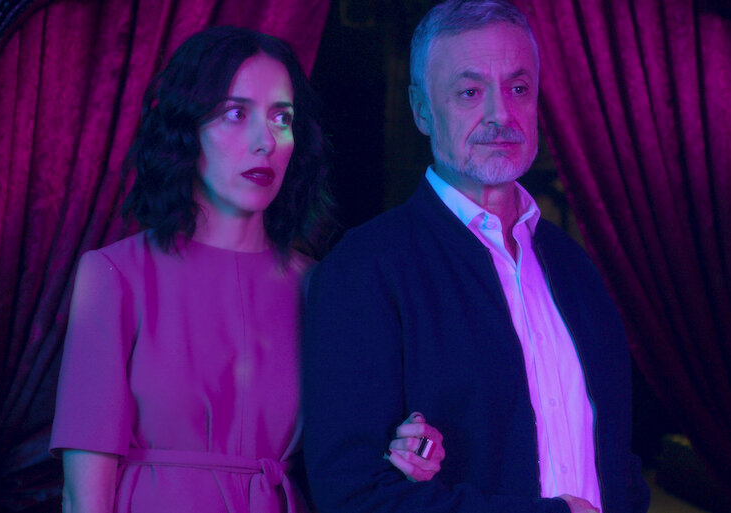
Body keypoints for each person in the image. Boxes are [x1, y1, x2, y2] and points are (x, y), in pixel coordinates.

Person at [49, 26, 443, 513]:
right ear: (186, 128)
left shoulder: (322, 286)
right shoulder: (114, 275)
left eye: (282, 117)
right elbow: (83, 498)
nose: (265, 141)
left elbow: (346, 462)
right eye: (236, 113)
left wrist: (404, 452)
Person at [301, 1, 650, 512]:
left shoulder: (575, 267)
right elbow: (352, 494)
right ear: (422, 111)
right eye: (470, 92)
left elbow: (619, 463)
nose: (501, 115)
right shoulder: (364, 271)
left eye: (518, 88)